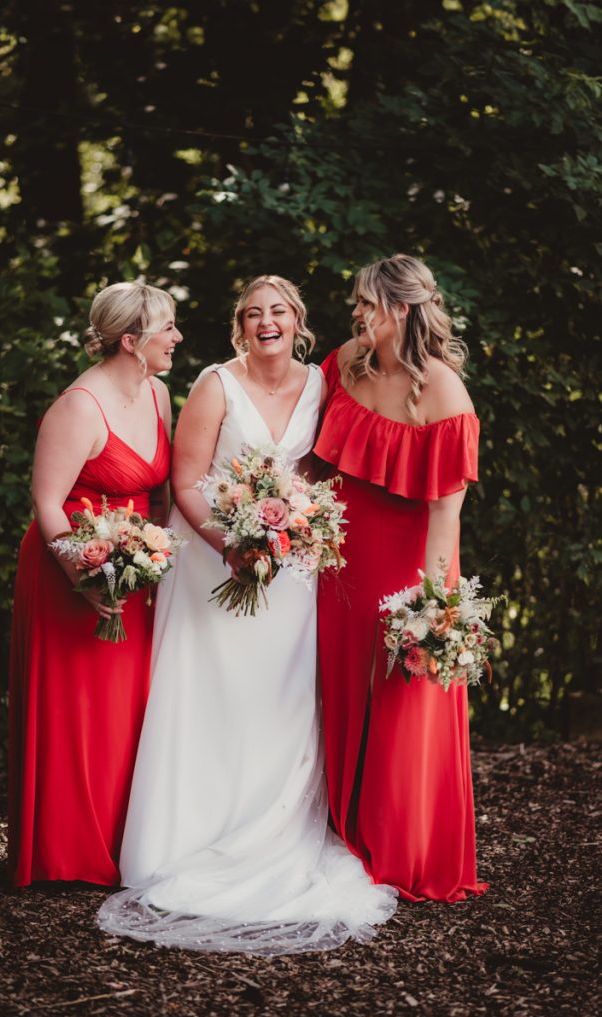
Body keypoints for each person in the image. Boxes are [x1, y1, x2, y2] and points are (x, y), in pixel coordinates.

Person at [97, 275, 397, 955]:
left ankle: (276, 832)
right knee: (209, 698)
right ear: (240, 325)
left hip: (289, 573)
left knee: (280, 703)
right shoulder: (213, 384)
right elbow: (185, 480)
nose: (268, 322)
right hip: (211, 565)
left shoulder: (323, 385)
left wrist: (297, 529)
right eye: (254, 313)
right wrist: (230, 545)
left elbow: (320, 477)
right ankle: (189, 838)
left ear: (297, 322)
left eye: (279, 312)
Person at [314, 253, 488, 903]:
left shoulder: (444, 393)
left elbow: (445, 518)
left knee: (401, 707)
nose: (355, 314)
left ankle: (401, 849)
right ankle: (336, 828)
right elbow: (308, 463)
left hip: (406, 574)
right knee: (334, 696)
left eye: (366, 304)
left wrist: (434, 613)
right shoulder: (345, 364)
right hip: (336, 569)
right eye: (355, 303)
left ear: (401, 309)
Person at [8, 281, 181, 887]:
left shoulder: (159, 395)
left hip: (135, 566)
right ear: (131, 342)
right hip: (70, 565)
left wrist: (152, 557)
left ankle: (123, 844)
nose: (178, 338)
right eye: (168, 329)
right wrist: (83, 578)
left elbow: (160, 491)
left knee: (126, 708)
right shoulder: (79, 406)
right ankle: (66, 854)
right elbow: (47, 502)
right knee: (76, 708)